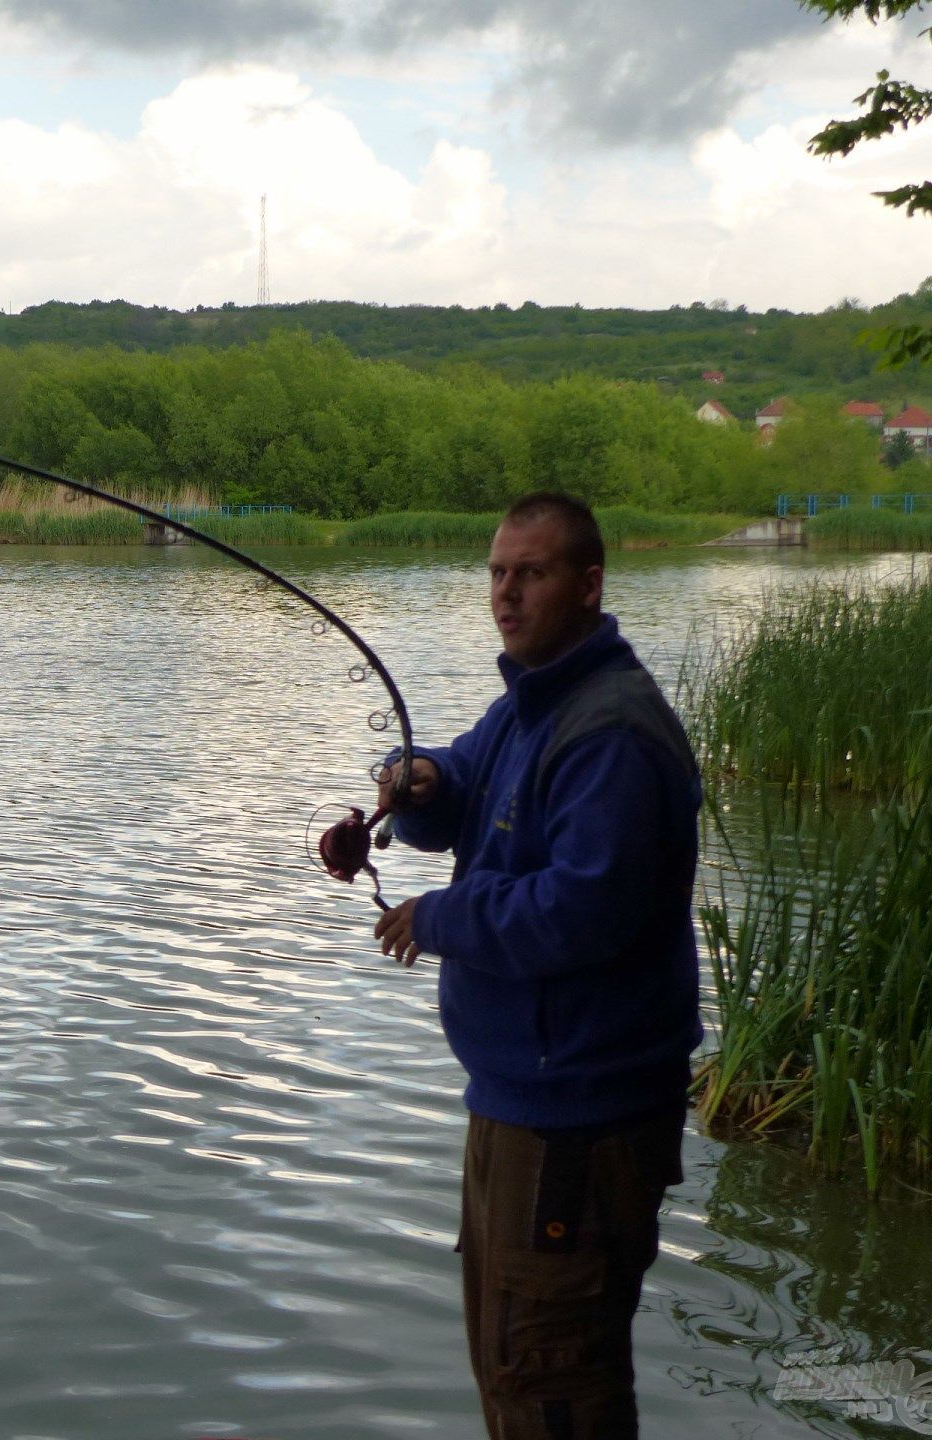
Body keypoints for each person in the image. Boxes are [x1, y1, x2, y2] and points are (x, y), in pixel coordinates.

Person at [369, 491, 702, 1440]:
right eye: (497, 574)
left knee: (552, 1381)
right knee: (513, 1364)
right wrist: (421, 779)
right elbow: (462, 779)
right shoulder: (530, 702)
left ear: (590, 585)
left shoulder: (613, 733)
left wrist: (438, 918)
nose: (507, 595)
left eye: (533, 573)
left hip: (579, 1122)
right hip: (519, 1099)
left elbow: (579, 910)